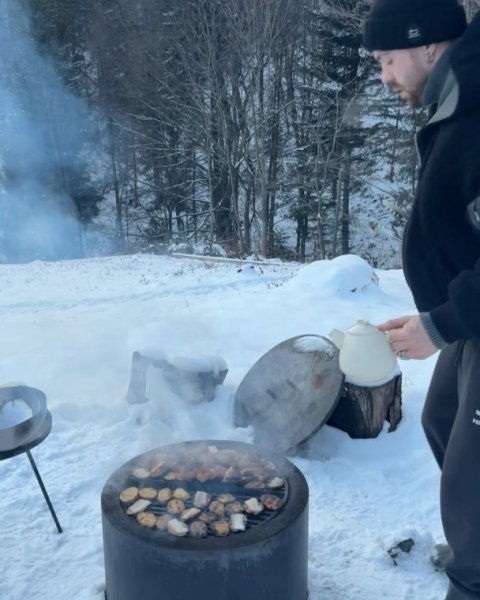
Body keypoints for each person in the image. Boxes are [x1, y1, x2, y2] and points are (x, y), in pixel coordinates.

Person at [363, 0, 480, 598]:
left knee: (473, 479)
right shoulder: (456, 95)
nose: (384, 76)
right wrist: (439, 316)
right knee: (439, 419)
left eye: (386, 59)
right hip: (471, 317)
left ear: (428, 44)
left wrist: (444, 323)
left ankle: (474, 575)